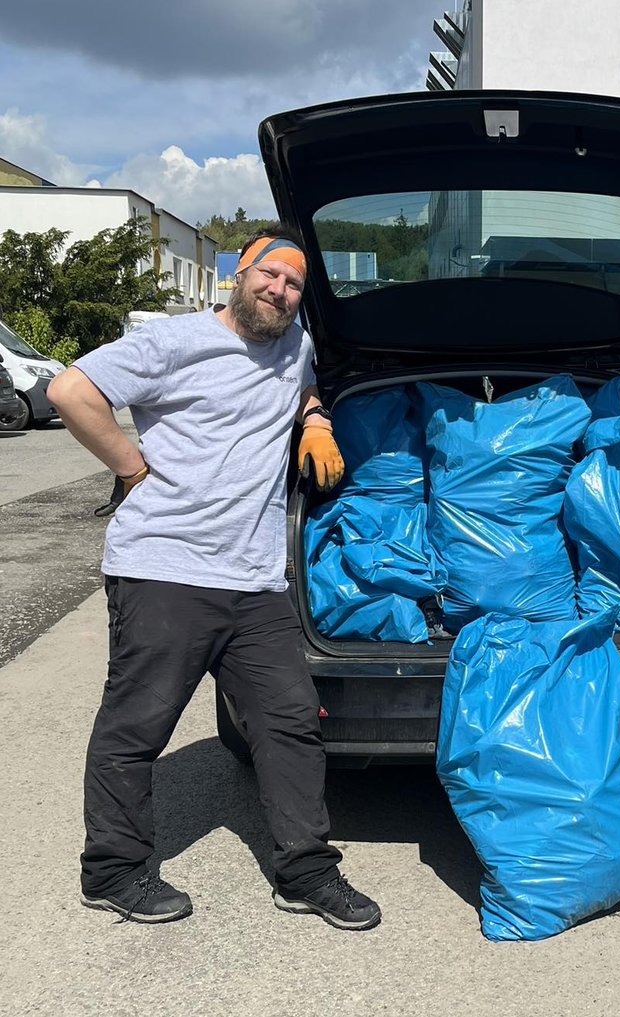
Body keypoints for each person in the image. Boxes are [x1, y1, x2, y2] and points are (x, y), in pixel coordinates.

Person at [48, 225, 381, 931]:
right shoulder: (172, 342)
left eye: (293, 284)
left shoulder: (296, 346)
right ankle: (111, 869)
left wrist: (315, 417)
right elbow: (70, 390)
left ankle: (305, 871)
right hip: (164, 568)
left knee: (290, 724)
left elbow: (304, 382)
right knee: (137, 727)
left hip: (256, 580)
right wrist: (132, 470)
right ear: (240, 274)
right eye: (270, 275)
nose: (280, 291)